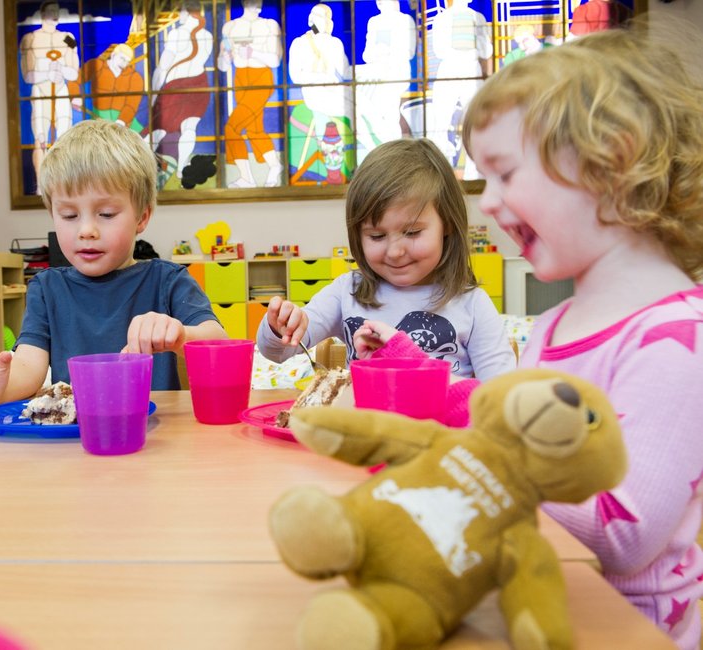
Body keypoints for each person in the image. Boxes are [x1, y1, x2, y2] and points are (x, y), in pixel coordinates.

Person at [459, 25, 703, 649]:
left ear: (609, 162)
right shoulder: (552, 327)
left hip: (627, 626)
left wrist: (471, 462)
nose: (487, 204)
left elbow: (624, 535)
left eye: (505, 174)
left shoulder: (676, 342)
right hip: (543, 599)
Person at [0, 120, 227, 410]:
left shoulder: (168, 280)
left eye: (106, 213)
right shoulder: (47, 288)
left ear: (141, 217)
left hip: (155, 438)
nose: (86, 230)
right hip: (75, 440)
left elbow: (220, 344)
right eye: (68, 215)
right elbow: (28, 366)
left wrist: (181, 335)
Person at [256, 138, 515, 384]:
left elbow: (501, 398)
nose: (394, 251)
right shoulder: (347, 292)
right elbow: (277, 353)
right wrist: (282, 327)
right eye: (377, 236)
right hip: (365, 429)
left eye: (412, 232)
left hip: (441, 430)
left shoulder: (471, 304)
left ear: (446, 224)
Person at [218, 0, 283, 188]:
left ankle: (247, 178)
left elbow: (275, 60)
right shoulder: (230, 27)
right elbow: (222, 65)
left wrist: (253, 53)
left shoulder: (269, 25)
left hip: (261, 77)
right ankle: (274, 165)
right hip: (240, 80)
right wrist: (225, 58)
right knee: (254, 129)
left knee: (232, 127)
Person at [148, 0, 213, 182]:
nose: (179, 15)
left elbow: (163, 67)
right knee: (189, 126)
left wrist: (154, 94)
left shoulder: (177, 34)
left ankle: (141, 168)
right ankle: (182, 167)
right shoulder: (207, 35)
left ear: (186, 12)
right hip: (200, 86)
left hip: (177, 88)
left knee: (159, 127)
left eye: (181, 11)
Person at [19, 1, 80, 189]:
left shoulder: (68, 38)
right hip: (41, 91)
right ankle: (41, 187)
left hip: (61, 89)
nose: (53, 15)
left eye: (56, 12)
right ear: (42, 13)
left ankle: (63, 186)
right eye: (50, 12)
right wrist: (46, 74)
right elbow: (27, 75)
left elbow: (74, 71)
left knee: (64, 140)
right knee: (40, 138)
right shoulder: (30, 38)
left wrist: (61, 70)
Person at [427, 0, 492, 177]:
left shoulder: (478, 17)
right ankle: (438, 173)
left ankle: (474, 174)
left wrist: (478, 40)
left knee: (475, 121)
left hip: (472, 70)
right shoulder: (441, 19)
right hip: (449, 69)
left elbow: (487, 51)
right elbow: (439, 50)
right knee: (440, 120)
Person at [355, 0, 417, 159]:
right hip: (377, 72)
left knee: (387, 109)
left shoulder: (404, 20)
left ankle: (390, 153)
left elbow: (409, 52)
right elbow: (366, 55)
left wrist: (389, 52)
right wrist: (377, 53)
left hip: (395, 72)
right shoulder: (374, 22)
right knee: (361, 98)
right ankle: (379, 148)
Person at [288, 3, 352, 149]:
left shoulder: (335, 43)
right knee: (355, 108)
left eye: (326, 17)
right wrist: (322, 78)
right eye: (318, 16)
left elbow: (344, 71)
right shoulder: (299, 43)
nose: (322, 21)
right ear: (310, 19)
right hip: (315, 95)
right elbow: (296, 76)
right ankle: (333, 149)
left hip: (336, 93)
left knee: (361, 106)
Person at [79, 43, 145, 132]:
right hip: (97, 115)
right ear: (113, 54)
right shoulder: (97, 65)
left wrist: (122, 121)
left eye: (127, 61)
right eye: (122, 58)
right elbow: (76, 79)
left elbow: (132, 104)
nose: (123, 64)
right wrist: (74, 97)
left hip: (125, 119)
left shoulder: (135, 77)